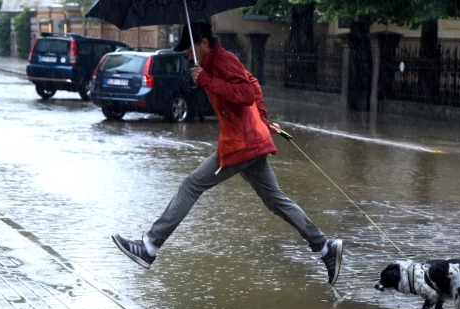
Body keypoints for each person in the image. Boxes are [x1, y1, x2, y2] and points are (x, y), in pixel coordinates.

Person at [112, 22, 343, 285]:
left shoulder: (223, 60)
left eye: (189, 48)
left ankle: (149, 247)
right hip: (248, 141)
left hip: (241, 145)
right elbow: (252, 83)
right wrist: (262, 121)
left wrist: (211, 83)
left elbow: (246, 93)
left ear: (203, 43)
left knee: (191, 185)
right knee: (276, 201)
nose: (187, 54)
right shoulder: (213, 63)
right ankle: (326, 248)